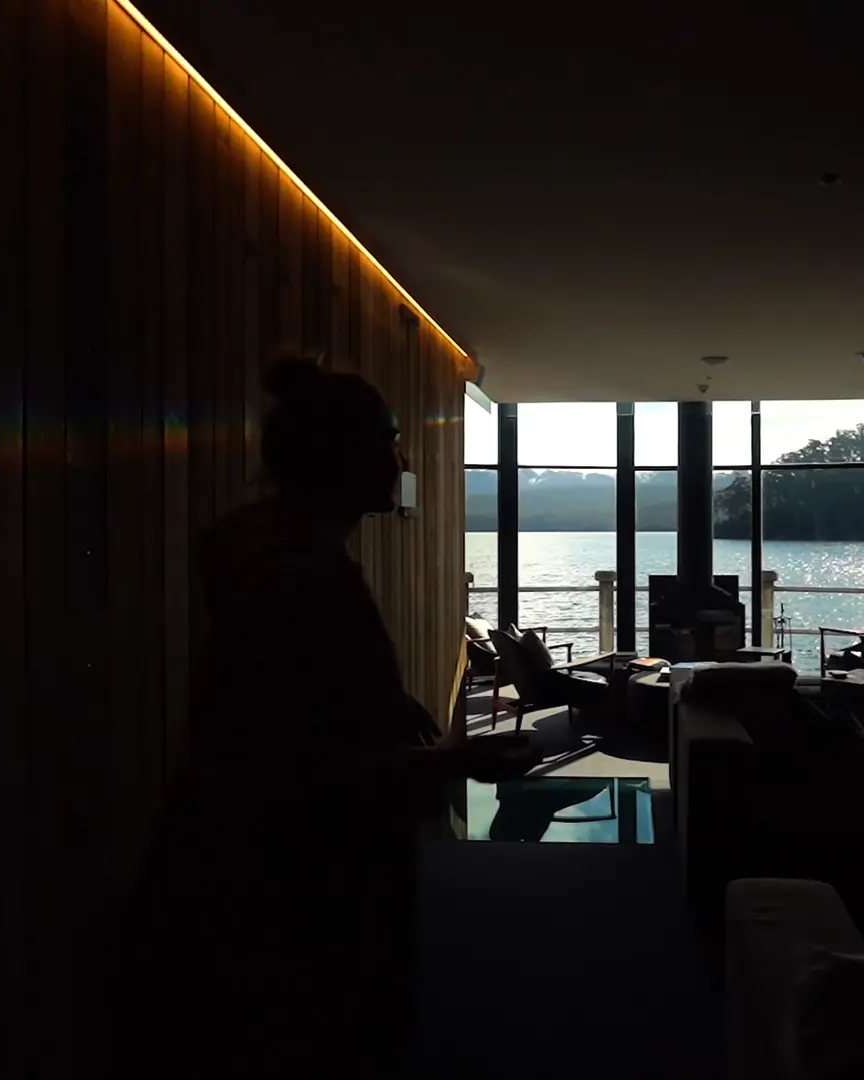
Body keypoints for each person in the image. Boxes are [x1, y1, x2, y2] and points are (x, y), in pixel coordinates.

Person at [109, 356, 535, 1077]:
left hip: (234, 884)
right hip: (297, 909)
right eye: (389, 441)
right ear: (341, 455)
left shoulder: (269, 560)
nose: (402, 460)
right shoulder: (303, 581)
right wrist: (460, 760)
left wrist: (386, 703)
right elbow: (302, 774)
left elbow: (288, 720)